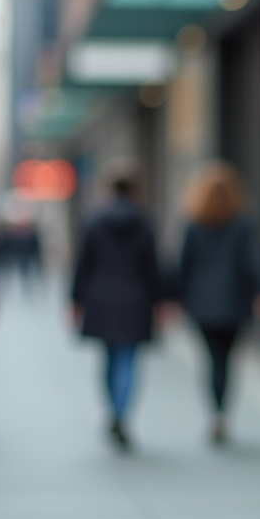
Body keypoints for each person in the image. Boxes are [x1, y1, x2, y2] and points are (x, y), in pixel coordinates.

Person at [71, 165, 162, 450]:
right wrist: (161, 301)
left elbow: (83, 264)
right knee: (128, 359)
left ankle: (113, 410)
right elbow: (153, 267)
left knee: (109, 359)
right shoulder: (144, 222)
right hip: (136, 298)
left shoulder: (94, 221)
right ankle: (122, 415)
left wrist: (75, 300)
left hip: (101, 298)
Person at [178, 161, 260, 443]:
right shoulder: (241, 224)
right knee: (226, 362)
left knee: (211, 360)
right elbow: (249, 263)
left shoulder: (193, 225)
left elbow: (183, 265)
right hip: (233, 305)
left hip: (201, 304)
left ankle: (215, 414)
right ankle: (222, 414)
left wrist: (174, 299)